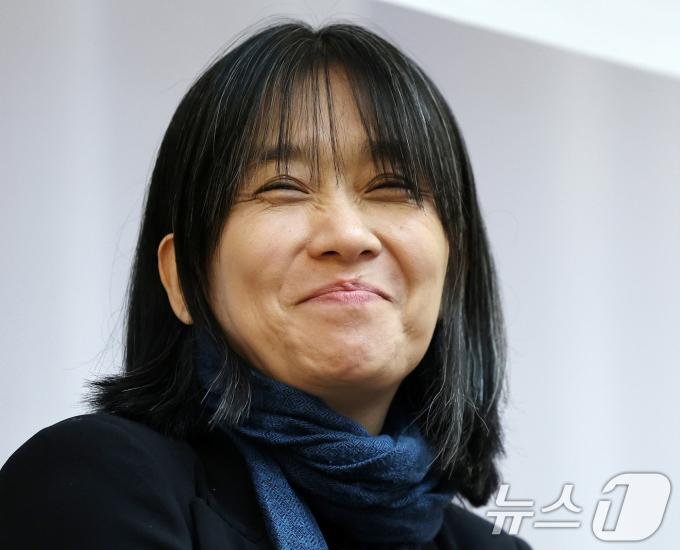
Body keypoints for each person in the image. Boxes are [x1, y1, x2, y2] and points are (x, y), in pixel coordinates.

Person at [0, 20, 533, 549]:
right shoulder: (97, 485)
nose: (348, 235)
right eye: (283, 186)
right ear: (184, 277)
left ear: (454, 269)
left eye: (391, 186)